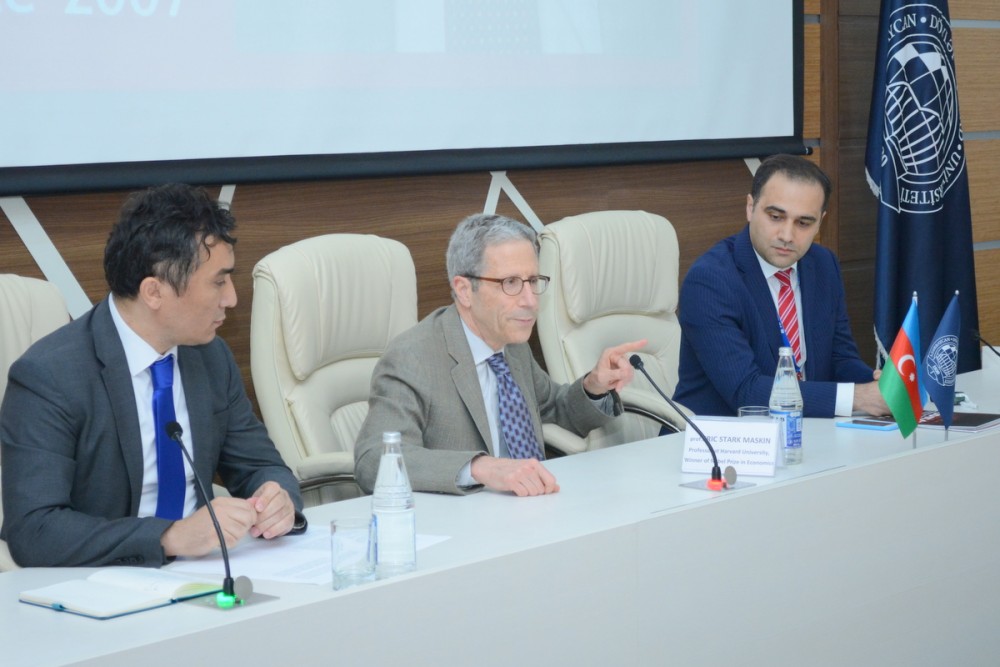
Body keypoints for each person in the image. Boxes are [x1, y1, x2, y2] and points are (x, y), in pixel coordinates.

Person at [0, 183, 304, 568]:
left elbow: (260, 464)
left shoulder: (210, 356)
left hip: (206, 570)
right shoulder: (49, 377)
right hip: (100, 584)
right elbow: (34, 530)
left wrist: (276, 497)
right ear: (154, 292)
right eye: (218, 281)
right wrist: (168, 537)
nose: (231, 299)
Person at [354, 213, 645, 497]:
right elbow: (374, 460)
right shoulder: (413, 357)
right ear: (465, 290)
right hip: (463, 528)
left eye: (533, 281)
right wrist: (480, 467)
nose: (530, 301)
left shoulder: (512, 343)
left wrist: (594, 386)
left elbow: (555, 409)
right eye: (511, 284)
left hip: (535, 509)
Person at [672, 154, 888, 418]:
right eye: (776, 216)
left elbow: (839, 359)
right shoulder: (710, 281)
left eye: (803, 223)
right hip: (725, 443)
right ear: (750, 207)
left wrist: (879, 384)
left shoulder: (823, 265)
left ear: (821, 221)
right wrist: (860, 398)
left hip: (808, 432)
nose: (787, 236)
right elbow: (746, 391)